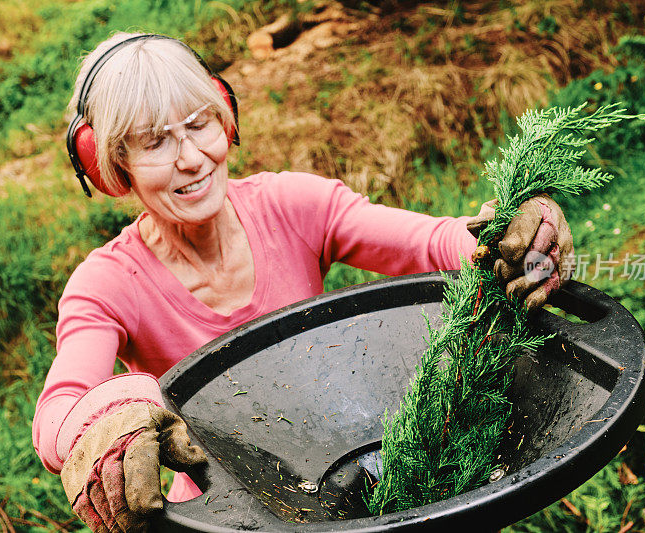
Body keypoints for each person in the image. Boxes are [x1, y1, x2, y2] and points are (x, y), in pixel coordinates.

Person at [32, 32, 574, 533]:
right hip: (225, 515)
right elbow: (58, 412)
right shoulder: (106, 284)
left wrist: (508, 237)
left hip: (341, 474)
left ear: (226, 117)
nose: (192, 159)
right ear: (112, 165)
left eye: (199, 123)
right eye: (155, 142)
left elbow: (433, 243)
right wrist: (109, 419)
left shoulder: (292, 206)